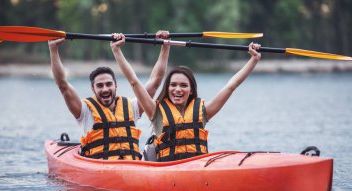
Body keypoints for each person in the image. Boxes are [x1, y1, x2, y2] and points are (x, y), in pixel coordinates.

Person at [110, 33, 261, 162]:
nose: (177, 89)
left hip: (195, 170)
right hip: (167, 171)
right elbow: (134, 81)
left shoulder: (203, 111)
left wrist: (253, 60)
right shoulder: (155, 111)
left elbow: (231, 85)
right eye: (173, 85)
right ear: (167, 88)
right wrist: (117, 50)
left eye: (183, 85)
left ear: (191, 90)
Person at [48, 31, 170, 160]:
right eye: (100, 86)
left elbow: (155, 81)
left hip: (132, 169)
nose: (105, 89)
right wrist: (53, 49)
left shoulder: (132, 107)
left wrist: (165, 46)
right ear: (93, 89)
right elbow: (63, 85)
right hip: (101, 170)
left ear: (115, 86)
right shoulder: (84, 111)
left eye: (108, 84)